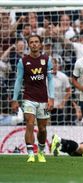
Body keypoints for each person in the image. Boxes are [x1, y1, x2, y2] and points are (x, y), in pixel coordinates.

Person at [11, 35, 54, 163]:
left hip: (43, 99)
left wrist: (51, 98)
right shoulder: (23, 61)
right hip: (28, 98)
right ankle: (30, 153)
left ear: (40, 44)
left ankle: (41, 151)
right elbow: (18, 81)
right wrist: (14, 99)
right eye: (31, 42)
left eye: (36, 42)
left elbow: (50, 80)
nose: (34, 44)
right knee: (29, 123)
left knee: (42, 129)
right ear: (28, 45)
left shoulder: (47, 60)